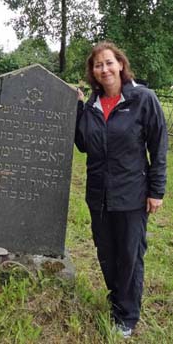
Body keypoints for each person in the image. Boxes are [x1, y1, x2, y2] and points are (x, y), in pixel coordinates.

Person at [75, 41, 167, 338]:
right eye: (98, 65)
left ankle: (127, 315)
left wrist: (156, 190)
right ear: (93, 72)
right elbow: (83, 144)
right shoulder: (91, 105)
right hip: (98, 194)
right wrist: (77, 109)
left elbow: (158, 146)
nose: (104, 69)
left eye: (109, 63)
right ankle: (116, 300)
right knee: (106, 252)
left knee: (129, 254)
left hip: (131, 193)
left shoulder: (143, 99)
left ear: (121, 65)